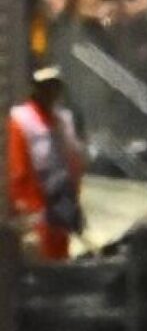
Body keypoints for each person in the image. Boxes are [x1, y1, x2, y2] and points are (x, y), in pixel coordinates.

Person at [8, 67, 86, 260]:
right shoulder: (21, 119)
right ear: (36, 89)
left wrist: (74, 199)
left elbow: (73, 161)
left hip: (61, 204)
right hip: (36, 205)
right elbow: (17, 169)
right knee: (40, 260)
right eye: (46, 87)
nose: (51, 92)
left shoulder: (63, 120)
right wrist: (25, 207)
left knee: (60, 257)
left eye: (54, 87)